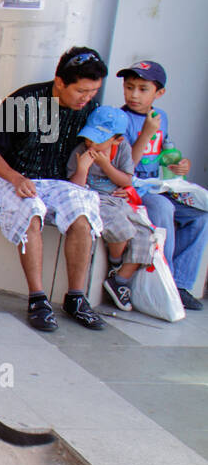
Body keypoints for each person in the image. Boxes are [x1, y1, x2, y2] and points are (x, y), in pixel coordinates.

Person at [0, 46, 109, 332]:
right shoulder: (23, 100)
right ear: (60, 82)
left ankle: (76, 298)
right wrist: (16, 178)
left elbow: (106, 150)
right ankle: (38, 299)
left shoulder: (92, 110)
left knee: (82, 210)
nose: (87, 98)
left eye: (93, 91)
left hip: (56, 182)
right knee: (31, 210)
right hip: (10, 178)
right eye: (82, 91)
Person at [114, 60, 206, 311]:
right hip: (132, 187)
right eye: (129, 87)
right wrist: (145, 134)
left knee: (200, 214)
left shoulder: (160, 117)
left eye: (143, 89)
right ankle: (167, 285)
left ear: (159, 93)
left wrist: (180, 164)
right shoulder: (119, 119)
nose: (134, 94)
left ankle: (180, 283)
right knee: (164, 209)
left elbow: (166, 151)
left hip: (156, 184)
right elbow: (124, 168)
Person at [65, 106, 157, 312]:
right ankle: (115, 263)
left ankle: (119, 280)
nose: (91, 144)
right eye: (89, 138)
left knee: (146, 235)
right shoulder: (80, 152)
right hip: (94, 198)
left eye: (98, 140)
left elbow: (125, 180)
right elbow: (74, 188)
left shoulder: (122, 150)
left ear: (117, 140)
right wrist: (82, 169)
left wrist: (106, 166)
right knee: (121, 229)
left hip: (118, 200)